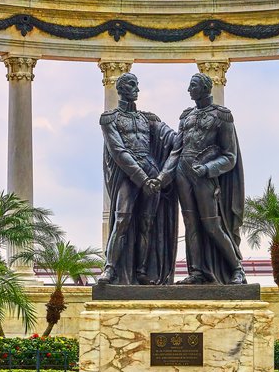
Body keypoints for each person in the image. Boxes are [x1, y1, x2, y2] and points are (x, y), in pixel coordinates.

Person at [157, 73, 246, 285]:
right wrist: (162, 177)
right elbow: (176, 151)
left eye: (193, 85)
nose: (189, 89)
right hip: (182, 173)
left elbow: (230, 156)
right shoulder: (185, 116)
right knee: (191, 225)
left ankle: (237, 269)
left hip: (204, 176)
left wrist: (207, 169)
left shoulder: (222, 116)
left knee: (212, 225)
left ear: (205, 88)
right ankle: (196, 271)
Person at [97, 73, 177, 285]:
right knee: (122, 219)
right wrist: (143, 180)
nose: (137, 90)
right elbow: (119, 152)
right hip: (129, 175)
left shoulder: (147, 118)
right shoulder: (109, 118)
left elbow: (170, 138)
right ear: (121, 88)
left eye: (137, 85)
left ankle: (142, 270)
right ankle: (110, 268)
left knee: (147, 223)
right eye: (132, 85)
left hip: (152, 171)